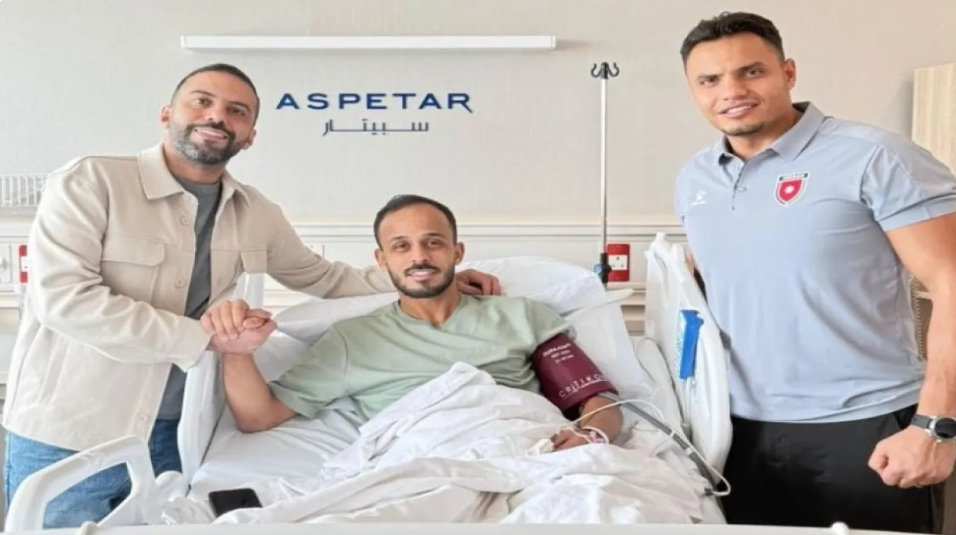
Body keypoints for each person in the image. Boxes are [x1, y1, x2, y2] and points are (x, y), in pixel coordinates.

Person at [2, 64, 499, 529]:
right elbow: (65, 299)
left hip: (175, 431)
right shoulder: (94, 181)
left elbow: (326, 278)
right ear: (167, 113)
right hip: (71, 427)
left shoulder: (254, 211)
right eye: (202, 101)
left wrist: (429, 275)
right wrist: (206, 338)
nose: (217, 116)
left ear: (250, 135)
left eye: (236, 111)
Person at [674, 11, 956, 533]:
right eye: (709, 80)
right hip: (736, 433)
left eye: (751, 71)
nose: (731, 91)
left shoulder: (874, 157)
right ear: (693, 91)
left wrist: (936, 425)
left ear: (788, 73)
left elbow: (952, 285)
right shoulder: (695, 179)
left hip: (863, 429)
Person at [209, 194, 623, 450]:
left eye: (433, 243)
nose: (419, 257)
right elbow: (259, 416)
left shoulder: (521, 315)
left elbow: (595, 398)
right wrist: (236, 352)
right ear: (382, 260)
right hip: (423, 458)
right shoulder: (354, 340)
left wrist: (592, 435)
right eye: (401, 246)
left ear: (457, 252)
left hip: (524, 445)